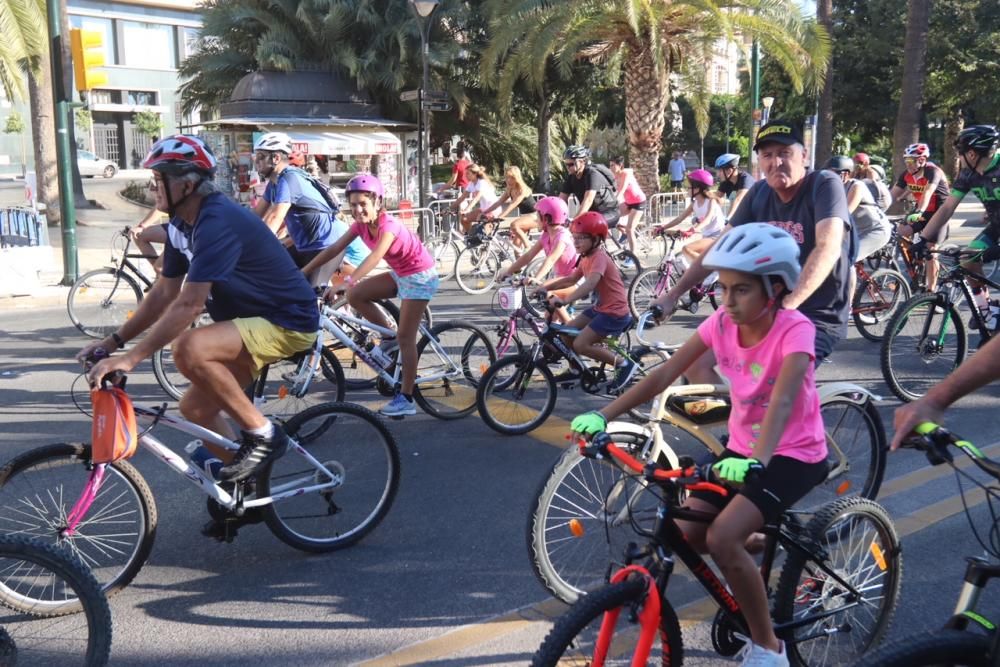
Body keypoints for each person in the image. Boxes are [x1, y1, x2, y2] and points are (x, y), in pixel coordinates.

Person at [572, 223, 826, 667]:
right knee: (690, 536)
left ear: (777, 288)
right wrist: (603, 416)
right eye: (723, 288)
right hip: (746, 451)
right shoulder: (721, 324)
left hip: (792, 454)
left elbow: (784, 400)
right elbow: (663, 376)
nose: (727, 301)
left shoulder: (795, 330)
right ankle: (757, 549)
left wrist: (756, 461)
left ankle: (769, 647)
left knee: (724, 537)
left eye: (741, 290)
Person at [78, 136, 319, 522]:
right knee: (193, 408)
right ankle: (248, 489)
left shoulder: (216, 220)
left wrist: (131, 359)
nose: (152, 187)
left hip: (287, 320)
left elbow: (188, 305)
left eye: (159, 180)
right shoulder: (181, 224)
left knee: (189, 348)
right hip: (249, 324)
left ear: (186, 184)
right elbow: (163, 294)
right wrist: (113, 342)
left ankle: (264, 434)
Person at [654, 119, 853, 384]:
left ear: (803, 156)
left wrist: (790, 305)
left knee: (771, 387)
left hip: (817, 313)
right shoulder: (760, 192)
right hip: (763, 308)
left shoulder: (825, 184)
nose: (776, 162)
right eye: (767, 155)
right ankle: (742, 423)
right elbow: (719, 246)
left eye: (785, 153)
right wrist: (673, 294)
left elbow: (827, 247)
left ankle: (782, 423)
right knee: (694, 366)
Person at [301, 174, 438, 418]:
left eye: (363, 204)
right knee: (356, 296)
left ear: (378, 202)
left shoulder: (389, 226)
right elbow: (333, 249)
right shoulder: (360, 226)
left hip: (420, 277)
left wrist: (346, 281)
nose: (358, 209)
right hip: (400, 273)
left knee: (407, 338)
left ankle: (406, 397)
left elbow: (375, 257)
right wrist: (303, 272)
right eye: (353, 205)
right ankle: (388, 336)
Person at [912, 125, 1000, 339]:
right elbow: (947, 208)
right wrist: (924, 239)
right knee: (967, 259)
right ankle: (988, 312)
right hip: (996, 227)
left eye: (960, 153)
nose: (958, 158)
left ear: (972, 154)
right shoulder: (968, 174)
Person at [536, 212, 635, 393]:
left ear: (596, 239)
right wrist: (544, 286)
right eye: (574, 237)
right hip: (600, 309)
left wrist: (564, 300)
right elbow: (571, 280)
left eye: (582, 238)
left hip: (614, 313)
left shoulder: (599, 258)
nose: (576, 242)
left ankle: (623, 364)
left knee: (581, 344)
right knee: (566, 333)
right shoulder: (585, 257)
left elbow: (590, 284)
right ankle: (576, 369)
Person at [251, 132, 339, 282]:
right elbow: (254, 217)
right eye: (256, 157)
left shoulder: (289, 178)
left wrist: (255, 246)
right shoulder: (274, 183)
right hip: (304, 246)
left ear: (276, 158)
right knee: (273, 279)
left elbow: (275, 217)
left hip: (326, 245)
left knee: (309, 296)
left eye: (260, 157)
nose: (256, 162)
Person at [497, 196, 578, 322]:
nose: (536, 220)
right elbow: (528, 256)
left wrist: (537, 278)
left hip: (575, 282)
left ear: (546, 218)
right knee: (550, 320)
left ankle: (579, 338)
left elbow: (550, 259)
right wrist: (509, 271)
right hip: (560, 280)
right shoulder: (546, 235)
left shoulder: (562, 237)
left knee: (554, 316)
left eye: (538, 216)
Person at [889, 142, 951, 292]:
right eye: (906, 160)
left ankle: (931, 292)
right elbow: (890, 195)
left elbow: (928, 192)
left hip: (940, 214)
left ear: (922, 160)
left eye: (911, 161)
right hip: (923, 213)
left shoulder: (933, 172)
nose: (908, 164)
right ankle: (915, 269)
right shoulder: (906, 175)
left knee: (931, 250)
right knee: (900, 233)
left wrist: (919, 211)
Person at [826, 156, 891, 265]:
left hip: (874, 230)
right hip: (855, 231)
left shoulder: (856, 186)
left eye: (832, 174)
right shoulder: (832, 188)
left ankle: (849, 281)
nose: (828, 178)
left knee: (845, 259)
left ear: (845, 174)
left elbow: (844, 213)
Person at [658, 168, 727, 264]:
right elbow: (679, 218)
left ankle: (711, 270)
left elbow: (707, 220)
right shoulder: (694, 204)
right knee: (682, 261)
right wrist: (663, 227)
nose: (686, 189)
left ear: (697, 188)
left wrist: (692, 230)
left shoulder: (711, 201)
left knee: (687, 249)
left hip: (718, 237)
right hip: (706, 237)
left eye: (689, 187)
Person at [559, 145, 621, 230]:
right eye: (566, 164)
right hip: (592, 215)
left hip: (610, 213)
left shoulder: (592, 174)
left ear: (582, 162)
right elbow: (561, 200)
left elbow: (588, 200)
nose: (568, 167)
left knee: (586, 225)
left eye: (571, 164)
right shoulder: (571, 177)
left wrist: (575, 222)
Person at [480, 165, 537, 247]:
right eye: (507, 177)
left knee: (514, 225)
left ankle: (528, 247)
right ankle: (521, 259)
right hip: (524, 216)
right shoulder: (509, 189)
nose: (508, 180)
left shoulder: (523, 189)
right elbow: (498, 202)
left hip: (535, 216)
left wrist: (500, 216)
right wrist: (485, 212)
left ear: (517, 177)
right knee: (516, 246)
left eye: (511, 177)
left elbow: (513, 205)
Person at [609, 156, 647, 256]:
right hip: (629, 203)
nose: (611, 168)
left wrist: (614, 201)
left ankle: (633, 257)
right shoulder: (615, 176)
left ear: (620, 165)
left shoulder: (626, 174)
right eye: (610, 165)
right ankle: (625, 234)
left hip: (639, 202)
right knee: (611, 217)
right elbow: (610, 188)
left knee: (630, 229)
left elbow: (621, 190)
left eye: (613, 165)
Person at [454, 164, 499, 232]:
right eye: (465, 174)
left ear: (474, 174)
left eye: (468, 174)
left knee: (483, 232)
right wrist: (449, 208)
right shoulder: (471, 184)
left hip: (493, 209)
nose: (466, 176)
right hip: (483, 209)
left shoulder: (481, 183)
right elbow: (461, 198)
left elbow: (476, 199)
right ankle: (470, 237)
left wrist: (466, 209)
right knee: (464, 219)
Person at [128, 205, 169, 277]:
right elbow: (160, 205)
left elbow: (163, 204)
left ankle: (164, 277)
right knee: (139, 235)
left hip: (185, 231)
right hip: (174, 225)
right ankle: (162, 277)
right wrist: (140, 227)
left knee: (159, 268)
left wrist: (142, 226)